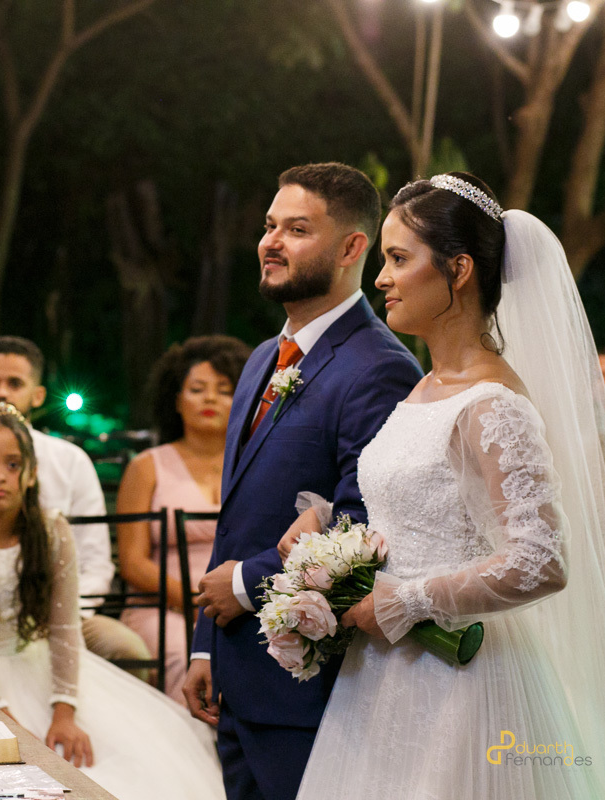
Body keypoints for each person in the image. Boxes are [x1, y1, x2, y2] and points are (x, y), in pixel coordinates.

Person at [290, 173, 605, 798]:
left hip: (460, 682)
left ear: (458, 269)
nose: (381, 278)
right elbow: (419, 510)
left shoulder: (494, 403)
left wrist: (407, 600)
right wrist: (328, 536)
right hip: (381, 677)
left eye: (399, 259)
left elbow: (541, 560)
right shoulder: (424, 385)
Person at [183, 163, 423, 800]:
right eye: (269, 226)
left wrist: (241, 582)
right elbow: (237, 515)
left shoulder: (381, 369)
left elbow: (361, 527)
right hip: (236, 671)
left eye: (296, 229)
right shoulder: (263, 357)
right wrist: (208, 646)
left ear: (351, 248)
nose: (271, 242)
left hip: (309, 686)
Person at [0, 404, 226, 800]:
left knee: (116, 769)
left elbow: (63, 627)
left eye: (12, 464)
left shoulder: (52, 530)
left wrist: (64, 710)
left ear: (31, 473)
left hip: (36, 662)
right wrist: (0, 716)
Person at [0, 336, 149, 666]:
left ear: (37, 395)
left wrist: (62, 617)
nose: (1, 392)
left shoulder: (70, 461)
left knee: (129, 650)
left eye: (14, 383)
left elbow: (96, 561)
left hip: (67, 616)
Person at [116, 334, 252, 703]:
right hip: (164, 605)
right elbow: (132, 562)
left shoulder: (254, 464)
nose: (209, 398)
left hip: (241, 599)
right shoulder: (146, 467)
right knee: (183, 653)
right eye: (197, 388)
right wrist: (197, 602)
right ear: (176, 399)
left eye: (224, 390)